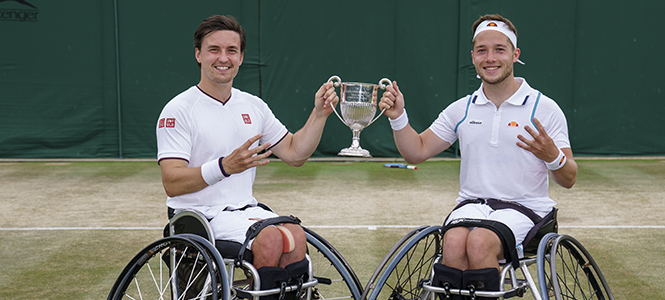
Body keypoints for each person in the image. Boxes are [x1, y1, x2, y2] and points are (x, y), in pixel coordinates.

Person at [379, 14, 577, 297]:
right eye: (482, 50)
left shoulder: (544, 108)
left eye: (499, 49)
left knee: (480, 243)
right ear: (473, 56)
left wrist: (553, 156)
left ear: (515, 54)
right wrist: (398, 117)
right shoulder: (462, 109)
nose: (490, 58)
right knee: (453, 242)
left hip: (526, 209)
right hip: (472, 206)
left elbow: (568, 178)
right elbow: (416, 151)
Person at [155, 15, 337, 297]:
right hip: (198, 216)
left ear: (241, 57)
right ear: (198, 54)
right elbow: (172, 182)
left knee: (296, 235)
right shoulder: (178, 110)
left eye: (232, 51)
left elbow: (294, 153)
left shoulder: (253, 106)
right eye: (214, 49)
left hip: (246, 211)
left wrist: (319, 114)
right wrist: (224, 167)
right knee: (271, 240)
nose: (223, 58)